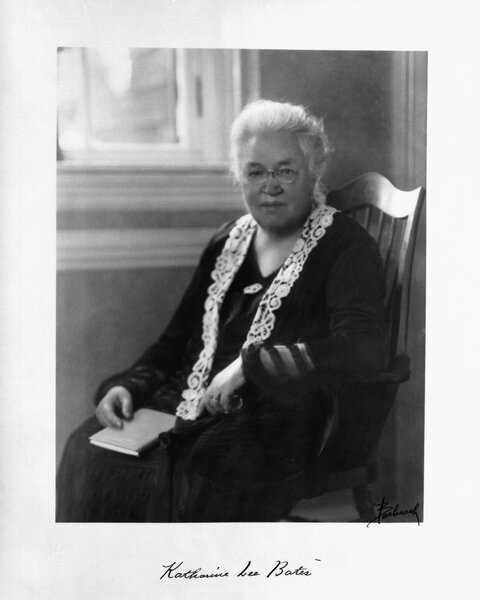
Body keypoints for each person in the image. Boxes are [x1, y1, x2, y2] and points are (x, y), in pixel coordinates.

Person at [56, 99, 388, 522]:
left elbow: (364, 347)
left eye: (286, 170)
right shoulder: (226, 242)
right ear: (239, 176)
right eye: (255, 171)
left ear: (313, 173)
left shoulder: (344, 245)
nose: (271, 186)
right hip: (192, 403)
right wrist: (128, 387)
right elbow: (177, 341)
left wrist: (252, 367)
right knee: (85, 446)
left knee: (192, 467)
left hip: (282, 418)